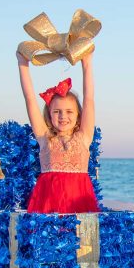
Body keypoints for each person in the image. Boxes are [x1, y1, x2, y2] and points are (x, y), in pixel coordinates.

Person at [16, 50, 99, 213]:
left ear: (78, 115)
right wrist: (23, 64)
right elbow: (30, 99)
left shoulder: (84, 137)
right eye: (57, 112)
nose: (63, 116)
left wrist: (87, 63)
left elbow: (89, 98)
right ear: (49, 114)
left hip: (80, 203)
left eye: (69, 112)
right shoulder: (44, 137)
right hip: (47, 205)